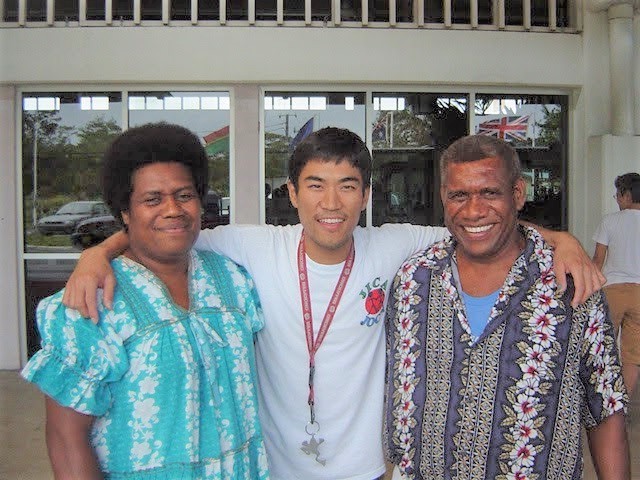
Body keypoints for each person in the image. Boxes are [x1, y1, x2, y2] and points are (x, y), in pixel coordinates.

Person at [62, 127, 603, 480]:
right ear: (292, 193)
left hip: (368, 469)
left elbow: (479, 222)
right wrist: (99, 253)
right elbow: (169, 228)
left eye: (347, 186)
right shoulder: (252, 246)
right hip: (277, 469)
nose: (331, 202)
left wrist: (563, 240)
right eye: (315, 185)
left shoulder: (392, 246)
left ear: (365, 195)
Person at [22, 123, 269, 479]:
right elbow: (66, 437)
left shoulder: (233, 279)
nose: (172, 209)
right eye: (152, 199)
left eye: (184, 195)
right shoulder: (91, 304)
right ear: (125, 212)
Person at [384, 135, 629, 480]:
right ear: (443, 196)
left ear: (518, 193)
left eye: (489, 193)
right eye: (459, 195)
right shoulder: (414, 280)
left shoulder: (571, 286)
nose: (473, 210)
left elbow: (604, 408)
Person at [593, 172, 640, 396]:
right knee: (633, 354)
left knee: (604, 346)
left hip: (613, 292)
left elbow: (598, 261)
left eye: (618, 196)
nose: (617, 200)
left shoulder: (610, 221)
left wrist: (590, 290)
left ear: (627, 195)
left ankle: (604, 398)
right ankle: (623, 402)